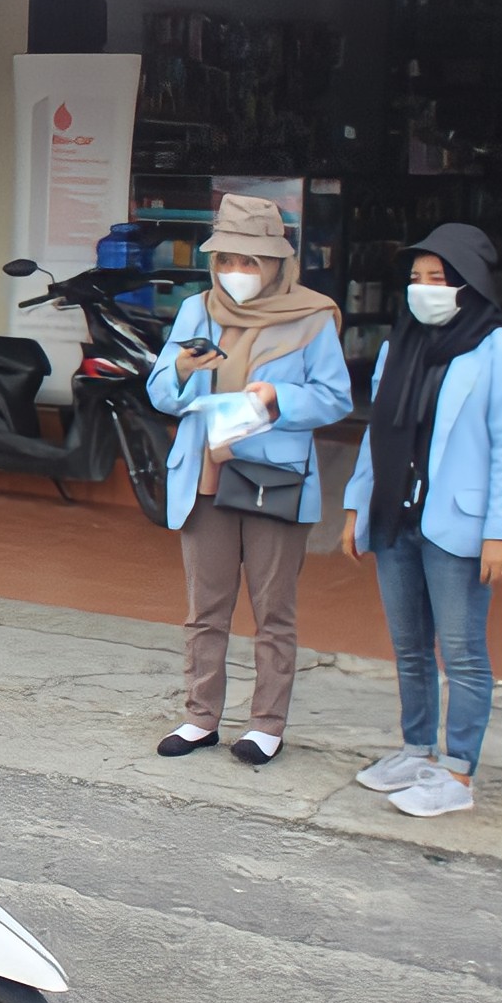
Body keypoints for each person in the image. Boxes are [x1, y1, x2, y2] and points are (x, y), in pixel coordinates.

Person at [146, 193, 350, 766]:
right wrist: (183, 368)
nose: (236, 273)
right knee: (204, 608)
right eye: (227, 260)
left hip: (272, 479)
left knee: (272, 610)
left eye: (250, 262)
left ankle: (266, 724)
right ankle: (199, 717)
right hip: (205, 478)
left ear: (277, 264)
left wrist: (279, 396)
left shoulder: (310, 317)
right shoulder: (197, 311)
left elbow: (336, 397)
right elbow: (160, 390)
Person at [343, 225, 502, 818]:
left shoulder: (501, 349)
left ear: (468, 284)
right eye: (416, 279)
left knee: (463, 651)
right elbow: (379, 432)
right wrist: (356, 504)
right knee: (408, 646)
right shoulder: (400, 344)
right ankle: (416, 748)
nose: (424, 290)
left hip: (459, 525)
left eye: (438, 279)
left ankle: (457, 772)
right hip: (396, 515)